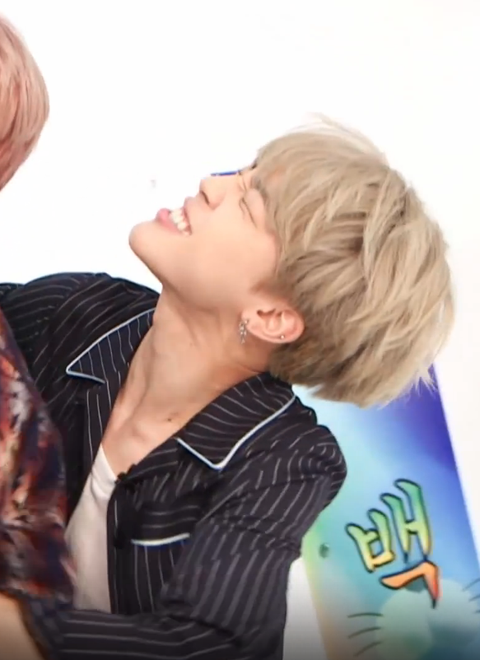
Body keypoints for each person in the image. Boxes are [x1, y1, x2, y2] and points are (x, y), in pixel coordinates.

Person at [0, 14, 454, 660]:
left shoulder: (286, 458)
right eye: (238, 173)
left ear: (273, 315)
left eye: (247, 202)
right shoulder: (80, 311)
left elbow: (204, 643)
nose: (210, 186)